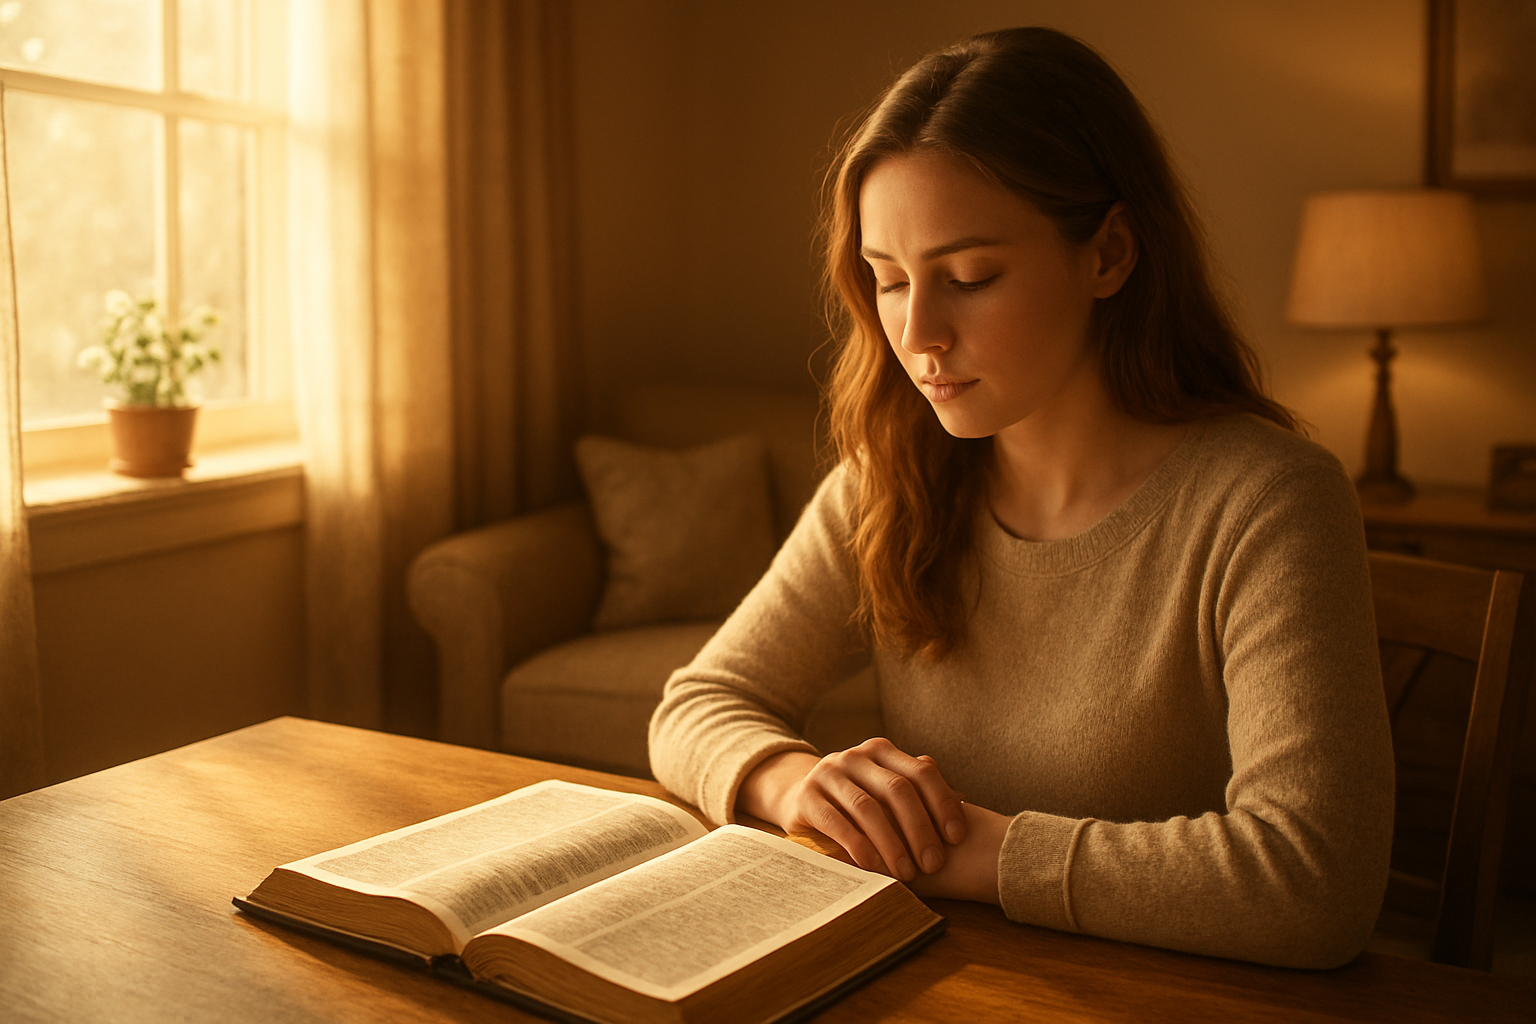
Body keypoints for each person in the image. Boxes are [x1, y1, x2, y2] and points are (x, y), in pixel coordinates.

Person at [647, 26, 1393, 970]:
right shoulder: (889, 479)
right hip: (942, 979)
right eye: (888, 281)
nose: (918, 332)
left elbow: (1316, 883)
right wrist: (794, 784)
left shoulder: (1269, 503)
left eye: (970, 278)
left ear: (1109, 254)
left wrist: (968, 850)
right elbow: (697, 703)